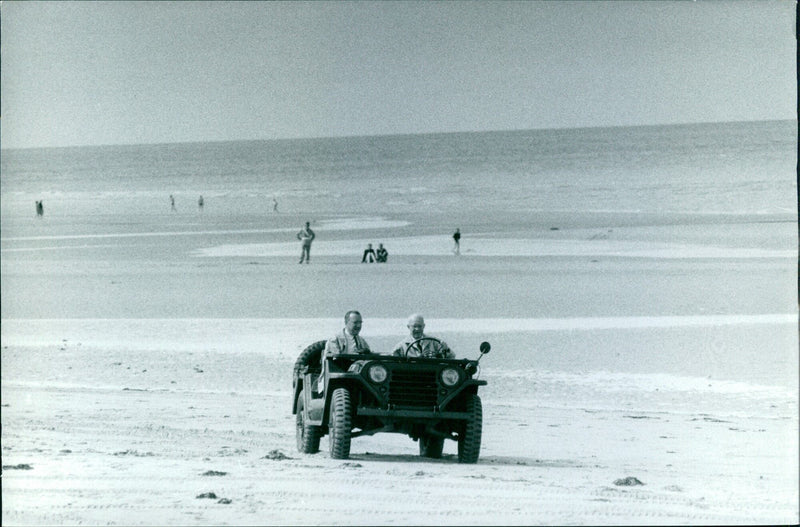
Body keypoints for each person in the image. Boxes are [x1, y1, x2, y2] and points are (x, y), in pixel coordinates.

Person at [317, 310, 371, 392]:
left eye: (360, 323)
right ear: (346, 322)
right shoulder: (335, 339)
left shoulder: (361, 341)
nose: (359, 326)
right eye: (355, 323)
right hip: (339, 376)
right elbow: (336, 359)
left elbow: (369, 355)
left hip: (359, 377)